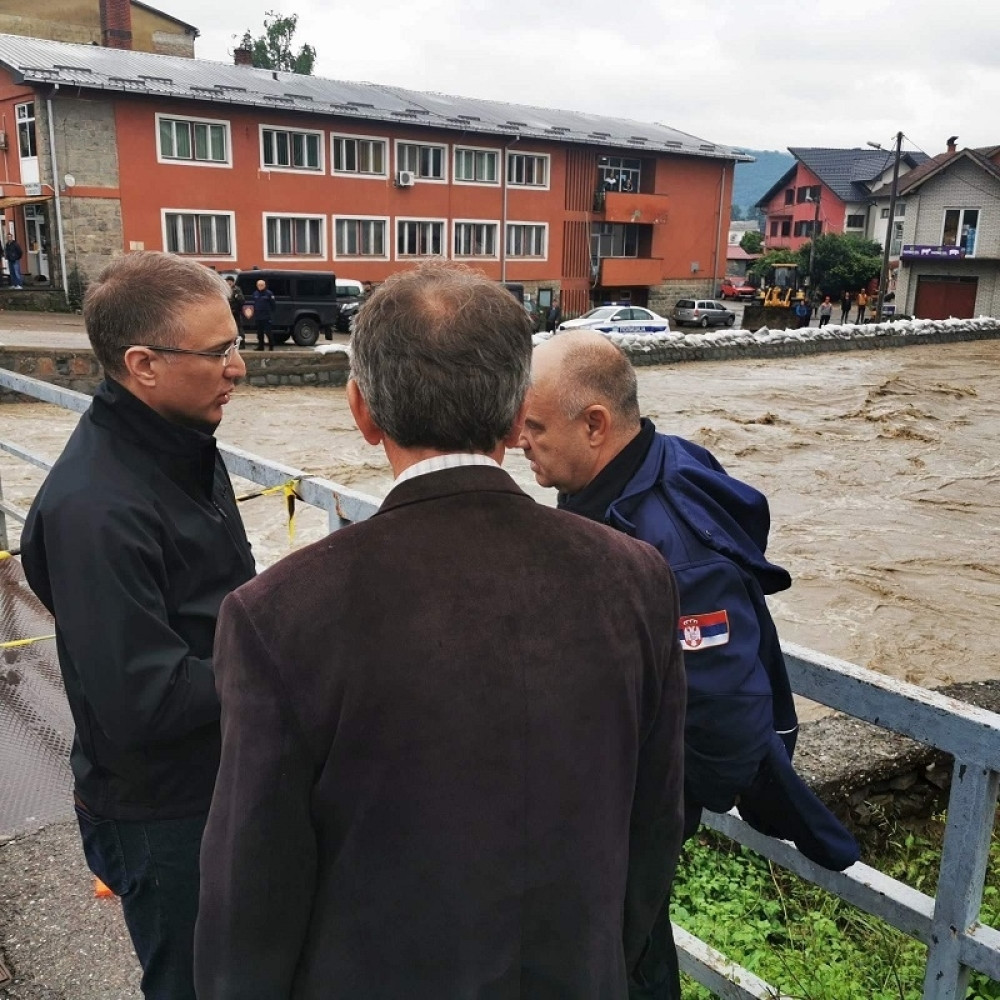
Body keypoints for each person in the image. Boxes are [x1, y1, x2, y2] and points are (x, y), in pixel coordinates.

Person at [194, 263, 687, 1000]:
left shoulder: (279, 615)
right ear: (518, 413)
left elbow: (252, 897)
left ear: (362, 411)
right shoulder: (636, 577)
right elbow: (654, 830)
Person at [520, 331, 860, 997]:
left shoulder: (671, 544)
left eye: (532, 425)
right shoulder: (625, 471)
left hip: (637, 807)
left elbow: (727, 718)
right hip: (608, 785)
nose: (514, 441)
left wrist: (662, 802)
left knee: (626, 953)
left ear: (595, 425)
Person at [20, 252, 256, 1000]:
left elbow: (218, 600)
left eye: (236, 343)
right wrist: (287, 653)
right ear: (143, 365)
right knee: (194, 982)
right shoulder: (98, 509)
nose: (238, 368)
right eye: (218, 352)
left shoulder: (182, 443)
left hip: (221, 776)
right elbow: (142, 698)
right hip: (163, 813)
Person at [251, 277, 276, 351]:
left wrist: (271, 315)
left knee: (268, 332)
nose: (260, 286)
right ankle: (260, 346)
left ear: (264, 285)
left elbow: (273, 305)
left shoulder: (269, 293)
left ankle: (271, 346)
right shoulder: (255, 293)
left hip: (266, 316)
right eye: (259, 285)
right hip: (258, 316)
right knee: (259, 333)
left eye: (262, 285)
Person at [225, 275, 245, 347]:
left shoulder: (236, 290)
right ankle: (230, 343)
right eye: (227, 281)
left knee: (238, 328)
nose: (229, 283)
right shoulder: (225, 290)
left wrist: (237, 296)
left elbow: (242, 301)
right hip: (228, 312)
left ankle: (242, 343)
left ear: (233, 282)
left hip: (235, 312)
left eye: (230, 281)